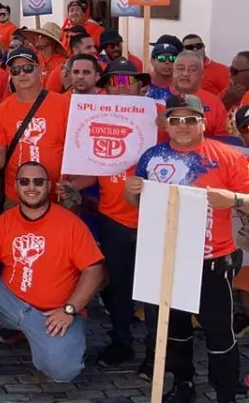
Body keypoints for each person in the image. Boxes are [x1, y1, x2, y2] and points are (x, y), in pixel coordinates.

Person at [126, 94, 249, 403]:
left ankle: (226, 392)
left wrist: (232, 200)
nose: (182, 126)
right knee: (175, 329)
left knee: (219, 334)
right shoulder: (151, 156)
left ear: (203, 122)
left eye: (190, 119)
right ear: (166, 123)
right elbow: (136, 202)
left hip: (212, 260)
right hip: (166, 257)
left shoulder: (227, 156)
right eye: (175, 119)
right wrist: (131, 192)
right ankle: (184, 385)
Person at [0, 161, 105, 382]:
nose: (31, 187)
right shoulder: (4, 221)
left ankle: (50, 343)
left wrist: (70, 309)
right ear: (16, 186)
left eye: (38, 182)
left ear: (48, 186)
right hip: (10, 300)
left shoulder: (70, 224)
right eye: (25, 181)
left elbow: (94, 270)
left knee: (63, 371)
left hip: (53, 312)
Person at [57, 58, 150, 367]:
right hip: (114, 218)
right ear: (106, 88)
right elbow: (98, 171)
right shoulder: (101, 116)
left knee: (151, 289)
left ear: (141, 86)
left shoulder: (158, 119)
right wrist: (71, 186)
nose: (121, 88)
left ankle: (156, 351)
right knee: (119, 286)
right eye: (115, 82)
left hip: (154, 221)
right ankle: (121, 342)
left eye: (128, 82)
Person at [0, 47, 70, 203]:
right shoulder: (0, 112)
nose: (22, 73)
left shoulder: (63, 104)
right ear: (11, 75)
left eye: (28, 68)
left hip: (57, 194)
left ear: (39, 71)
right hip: (17, 196)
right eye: (16, 70)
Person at [171, 51, 228, 137]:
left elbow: (223, 140)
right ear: (173, 71)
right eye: (180, 68)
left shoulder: (214, 103)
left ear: (202, 75)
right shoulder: (157, 99)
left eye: (192, 70)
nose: (185, 74)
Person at [147, 36, 182, 101]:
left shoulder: (183, 84)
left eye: (172, 59)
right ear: (152, 61)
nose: (167, 62)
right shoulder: (143, 83)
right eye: (161, 58)